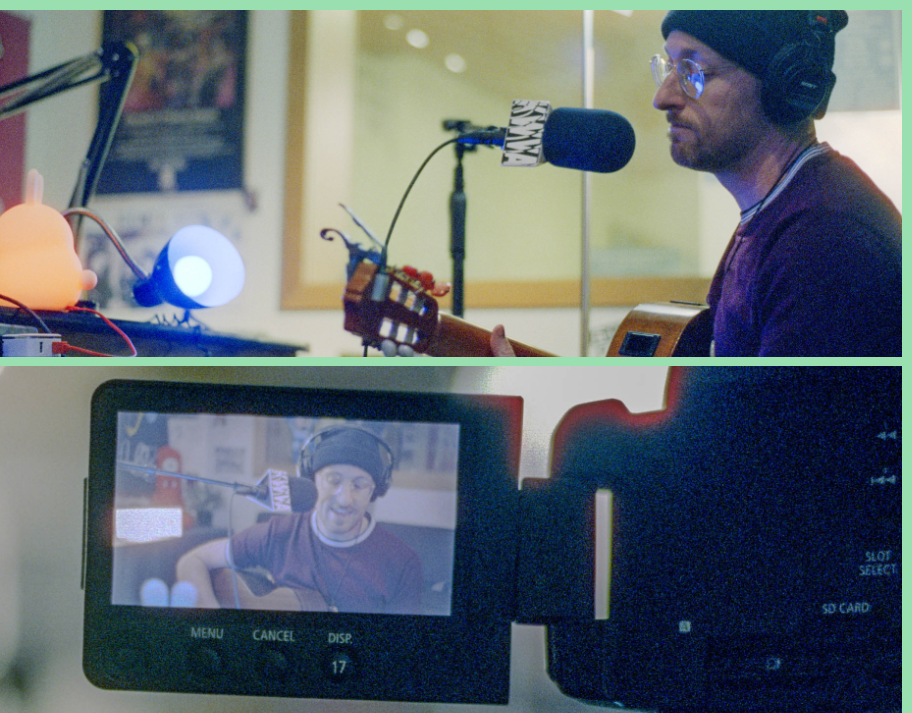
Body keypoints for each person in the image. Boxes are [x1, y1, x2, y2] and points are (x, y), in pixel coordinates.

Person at [492, 10, 901, 357]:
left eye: (692, 71)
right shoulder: (775, 216)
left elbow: (772, 444)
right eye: (669, 68)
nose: (664, 97)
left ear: (781, 88)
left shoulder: (824, 238)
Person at [175, 425, 424, 614]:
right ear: (312, 481)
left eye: (359, 485)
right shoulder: (278, 534)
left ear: (374, 491)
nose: (345, 499)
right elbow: (191, 561)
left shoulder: (402, 563)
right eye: (334, 481)